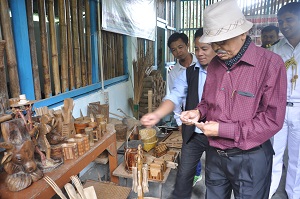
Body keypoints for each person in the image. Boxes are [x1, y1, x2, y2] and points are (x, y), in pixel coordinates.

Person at [179, 0, 287, 198]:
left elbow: (272, 120)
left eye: (223, 41)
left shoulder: (270, 65)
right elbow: (207, 102)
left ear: (242, 33)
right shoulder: (214, 65)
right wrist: (198, 111)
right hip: (215, 155)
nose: (217, 48)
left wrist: (222, 129)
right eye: (213, 42)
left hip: (250, 158)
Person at [140, 28, 216, 198]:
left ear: (217, 46)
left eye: (205, 48)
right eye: (198, 49)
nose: (200, 53)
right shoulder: (188, 73)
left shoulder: (226, 72)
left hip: (217, 134)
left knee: (215, 180)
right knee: (183, 176)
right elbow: (174, 96)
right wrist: (158, 114)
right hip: (193, 132)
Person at [269, 2, 300, 199]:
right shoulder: (274, 50)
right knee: (273, 155)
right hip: (278, 108)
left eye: (289, 20)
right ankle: (268, 192)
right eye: (281, 21)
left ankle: (294, 194)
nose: (284, 25)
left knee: (297, 159)